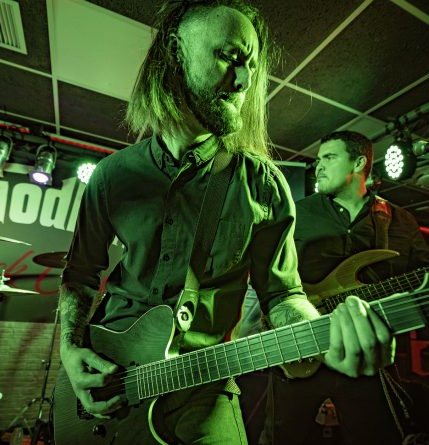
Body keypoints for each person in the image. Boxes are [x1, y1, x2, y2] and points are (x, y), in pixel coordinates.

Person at [56, 2, 394, 444]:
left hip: (203, 385)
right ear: (174, 53)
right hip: (111, 374)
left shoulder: (263, 184)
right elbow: (80, 274)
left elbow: (283, 294)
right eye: (229, 57)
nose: (244, 81)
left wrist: (323, 337)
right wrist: (70, 350)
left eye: (251, 66)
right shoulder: (112, 175)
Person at [261, 130, 429, 444]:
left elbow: (426, 280)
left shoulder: (400, 221)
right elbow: (272, 280)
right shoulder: (297, 213)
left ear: (358, 163)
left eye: (329, 157)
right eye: (318, 159)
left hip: (370, 356)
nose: (319, 166)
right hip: (302, 350)